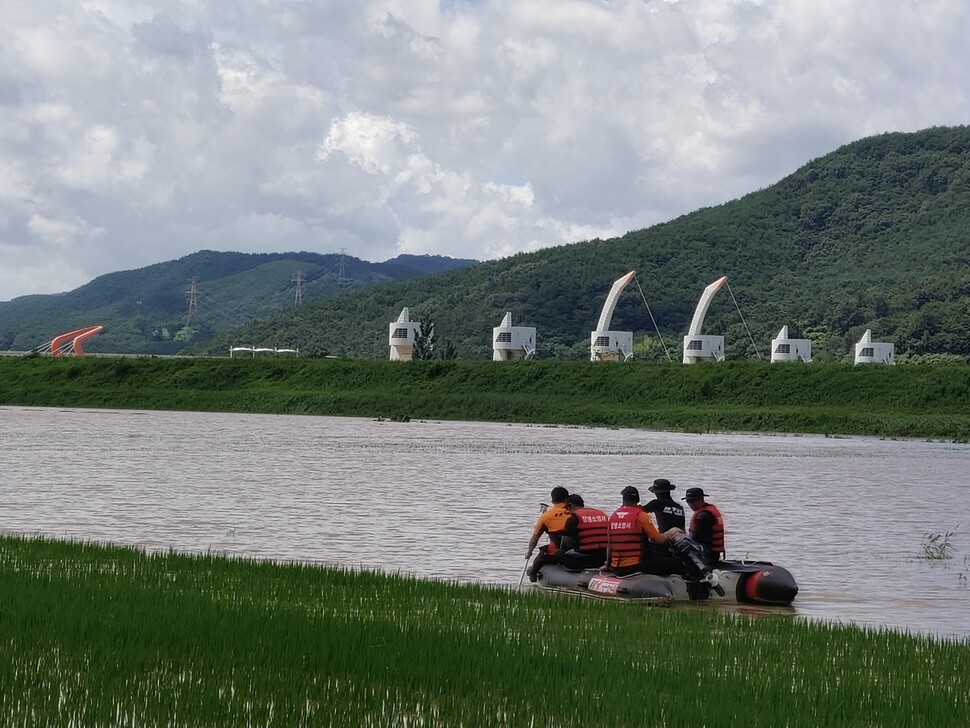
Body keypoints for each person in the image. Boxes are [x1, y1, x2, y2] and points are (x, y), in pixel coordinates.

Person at [605, 485, 683, 576]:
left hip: (616, 567)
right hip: (636, 565)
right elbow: (657, 539)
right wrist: (672, 531)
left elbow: (609, 545)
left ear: (623, 499)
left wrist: (608, 565)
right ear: (638, 500)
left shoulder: (613, 516)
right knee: (678, 562)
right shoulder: (642, 516)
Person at [525, 486, 571, 582]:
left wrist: (529, 552)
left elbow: (535, 538)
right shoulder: (574, 513)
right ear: (567, 499)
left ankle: (533, 575)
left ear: (552, 500)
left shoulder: (546, 516)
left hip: (556, 553)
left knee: (540, 557)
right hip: (574, 549)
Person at [558, 493, 609, 570]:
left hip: (584, 559)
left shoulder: (573, 518)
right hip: (604, 557)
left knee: (559, 554)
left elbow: (565, 544)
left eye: (566, 509)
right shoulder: (602, 514)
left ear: (571, 506)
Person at [641, 478, 685, 558]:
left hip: (664, 543)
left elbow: (638, 512)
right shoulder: (678, 507)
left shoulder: (656, 503)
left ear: (656, 492)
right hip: (679, 542)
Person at [682, 487, 725, 565]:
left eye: (689, 501)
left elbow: (696, 538)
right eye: (687, 501)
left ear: (698, 500)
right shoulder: (707, 511)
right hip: (713, 553)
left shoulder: (704, 516)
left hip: (707, 554)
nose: (689, 504)